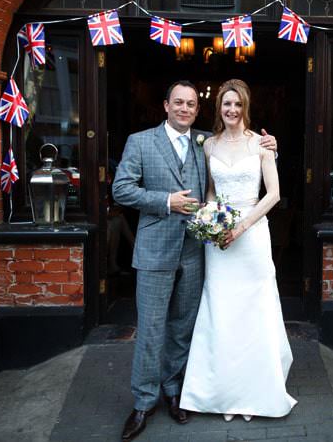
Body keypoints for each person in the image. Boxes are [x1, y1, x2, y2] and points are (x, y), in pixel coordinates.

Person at [112, 80, 277, 441]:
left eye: (191, 104)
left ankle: (176, 393)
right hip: (155, 251)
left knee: (183, 328)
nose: (185, 108)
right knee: (151, 329)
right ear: (166, 105)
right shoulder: (140, 142)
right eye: (179, 103)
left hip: (197, 250)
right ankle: (143, 402)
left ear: (198, 110)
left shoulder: (206, 141)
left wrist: (270, 145)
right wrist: (165, 201)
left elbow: (238, 143)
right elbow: (121, 189)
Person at [179, 79, 297, 420]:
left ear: (245, 107)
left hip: (253, 235)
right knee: (222, 311)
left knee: (253, 311)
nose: (231, 110)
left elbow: (273, 194)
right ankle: (223, 395)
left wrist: (242, 226)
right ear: (219, 108)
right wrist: (214, 222)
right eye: (225, 105)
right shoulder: (209, 145)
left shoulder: (262, 144)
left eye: (237, 104)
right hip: (221, 241)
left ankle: (256, 393)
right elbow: (213, 192)